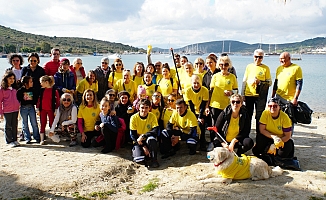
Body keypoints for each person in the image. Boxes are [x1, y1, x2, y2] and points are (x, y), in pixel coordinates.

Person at [252, 97, 294, 165]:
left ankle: (272, 156)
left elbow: (287, 136)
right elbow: (262, 130)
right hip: (268, 136)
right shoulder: (265, 113)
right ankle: (267, 154)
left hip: (281, 139)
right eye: (270, 106)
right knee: (259, 139)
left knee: (284, 151)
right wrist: (274, 137)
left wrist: (275, 144)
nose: (272, 108)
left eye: (275, 106)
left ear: (279, 107)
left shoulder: (285, 117)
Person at [242, 49, 272, 133]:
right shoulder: (249, 66)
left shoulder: (266, 68)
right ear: (253, 56)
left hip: (260, 96)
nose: (258, 59)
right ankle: (246, 133)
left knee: (259, 116)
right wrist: (242, 94)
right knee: (248, 115)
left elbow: (269, 83)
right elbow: (244, 80)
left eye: (260, 57)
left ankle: (260, 135)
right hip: (249, 94)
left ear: (263, 58)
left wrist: (260, 82)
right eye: (256, 57)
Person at [272, 52, 303, 131]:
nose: (281, 60)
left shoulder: (296, 68)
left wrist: (295, 98)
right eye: (280, 59)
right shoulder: (279, 68)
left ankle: (288, 136)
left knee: (289, 118)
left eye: (283, 59)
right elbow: (276, 83)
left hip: (289, 99)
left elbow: (299, 84)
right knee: (277, 116)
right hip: (278, 96)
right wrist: (272, 96)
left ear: (289, 58)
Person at [208, 56, 238, 128]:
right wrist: (207, 105)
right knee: (215, 125)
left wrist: (231, 92)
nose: (223, 67)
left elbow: (236, 91)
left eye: (226, 64)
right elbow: (210, 91)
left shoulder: (232, 77)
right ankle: (214, 139)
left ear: (229, 65)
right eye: (221, 65)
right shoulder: (215, 76)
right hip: (215, 105)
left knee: (225, 125)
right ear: (219, 65)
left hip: (227, 105)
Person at [130, 99, 160, 168]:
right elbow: (133, 135)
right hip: (138, 141)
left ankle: (154, 160)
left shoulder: (152, 116)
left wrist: (144, 135)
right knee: (139, 159)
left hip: (148, 138)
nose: (144, 110)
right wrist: (143, 146)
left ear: (149, 108)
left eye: (146, 108)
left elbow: (155, 131)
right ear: (138, 108)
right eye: (142, 107)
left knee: (152, 139)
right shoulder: (133, 118)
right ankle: (143, 154)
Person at [184, 75, 209, 151]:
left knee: (202, 127)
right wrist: (195, 118)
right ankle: (193, 143)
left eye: (198, 83)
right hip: (192, 111)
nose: (196, 85)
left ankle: (202, 144)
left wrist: (200, 117)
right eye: (194, 83)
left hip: (201, 111)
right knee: (193, 127)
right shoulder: (188, 91)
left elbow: (203, 104)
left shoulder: (205, 90)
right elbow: (190, 105)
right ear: (191, 83)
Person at [16, 76, 40, 143]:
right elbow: (19, 99)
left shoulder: (33, 90)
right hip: (23, 108)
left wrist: (32, 102)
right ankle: (27, 138)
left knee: (34, 123)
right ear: (26, 83)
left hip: (31, 107)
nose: (32, 83)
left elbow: (35, 98)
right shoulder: (20, 91)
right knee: (25, 123)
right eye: (30, 82)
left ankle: (36, 137)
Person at [37, 75, 60, 145]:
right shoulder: (41, 90)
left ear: (46, 82)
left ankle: (52, 136)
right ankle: (42, 139)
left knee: (51, 123)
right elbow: (39, 100)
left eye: (41, 82)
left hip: (51, 110)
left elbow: (58, 101)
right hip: (43, 110)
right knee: (42, 124)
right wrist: (38, 108)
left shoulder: (54, 91)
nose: (40, 84)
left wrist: (56, 109)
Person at [0, 71, 20, 147]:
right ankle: (9, 141)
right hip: (7, 110)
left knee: (14, 125)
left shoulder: (15, 88)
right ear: (5, 79)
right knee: (8, 125)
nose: (12, 80)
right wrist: (1, 113)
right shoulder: (2, 89)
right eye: (10, 78)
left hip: (15, 109)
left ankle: (15, 139)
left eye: (13, 78)